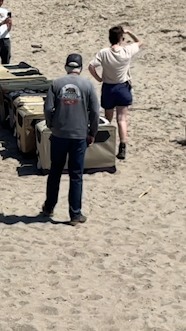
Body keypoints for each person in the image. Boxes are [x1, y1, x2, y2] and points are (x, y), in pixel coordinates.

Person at [41, 54, 100, 226]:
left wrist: (51, 125)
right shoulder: (88, 85)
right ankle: (75, 214)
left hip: (59, 134)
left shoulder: (56, 84)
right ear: (80, 68)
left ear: (66, 67)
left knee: (55, 172)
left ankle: (49, 207)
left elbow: (48, 108)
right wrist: (92, 132)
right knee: (76, 175)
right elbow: (95, 111)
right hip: (79, 135)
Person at [88, 26, 144, 160]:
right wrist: (130, 32)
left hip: (108, 88)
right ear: (121, 38)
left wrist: (98, 78)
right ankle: (123, 146)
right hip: (123, 88)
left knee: (108, 118)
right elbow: (140, 42)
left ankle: (106, 144)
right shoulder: (126, 51)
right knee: (122, 119)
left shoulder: (103, 53)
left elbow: (91, 66)